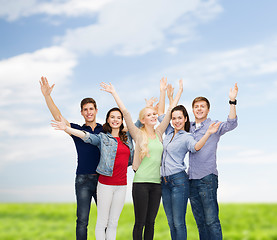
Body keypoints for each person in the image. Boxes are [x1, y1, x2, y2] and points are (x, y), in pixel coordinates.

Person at [100, 78, 183, 240]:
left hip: (156, 184)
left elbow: (171, 110)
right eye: (149, 115)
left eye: (154, 114)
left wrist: (172, 91)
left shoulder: (159, 133)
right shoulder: (137, 134)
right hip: (141, 184)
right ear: (143, 120)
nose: (153, 116)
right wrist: (114, 92)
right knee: (140, 223)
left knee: (151, 223)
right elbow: (126, 113)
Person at [51, 107, 134, 240]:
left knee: (112, 223)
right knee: (97, 221)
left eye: (118, 117)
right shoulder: (103, 137)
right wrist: (66, 128)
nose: (115, 120)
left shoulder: (127, 138)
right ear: (107, 119)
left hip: (122, 185)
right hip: (104, 183)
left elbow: (136, 124)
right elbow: (86, 136)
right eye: (112, 117)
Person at [40, 76, 103, 240]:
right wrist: (47, 96)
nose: (89, 112)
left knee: (104, 220)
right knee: (82, 220)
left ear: (96, 110)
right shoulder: (76, 130)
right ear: (82, 112)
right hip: (83, 179)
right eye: (85, 109)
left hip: (103, 180)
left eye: (91, 108)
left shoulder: (105, 130)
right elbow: (58, 116)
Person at [157, 82, 221, 240]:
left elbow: (196, 147)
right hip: (164, 181)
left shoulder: (187, 136)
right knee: (171, 222)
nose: (176, 121)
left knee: (179, 223)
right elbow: (161, 114)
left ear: (185, 119)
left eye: (180, 118)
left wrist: (207, 133)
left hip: (179, 180)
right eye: (174, 118)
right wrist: (163, 92)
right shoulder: (169, 131)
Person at [188, 83, 238, 240]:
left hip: (207, 178)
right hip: (191, 179)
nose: (199, 109)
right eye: (196, 106)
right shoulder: (188, 127)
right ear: (193, 109)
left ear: (207, 110)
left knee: (211, 221)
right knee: (200, 222)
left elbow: (231, 123)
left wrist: (232, 102)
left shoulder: (214, 125)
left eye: (202, 106)